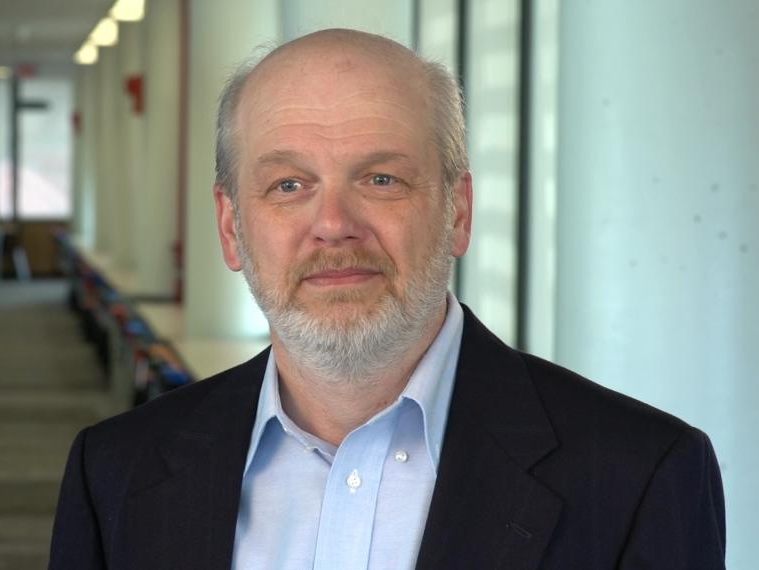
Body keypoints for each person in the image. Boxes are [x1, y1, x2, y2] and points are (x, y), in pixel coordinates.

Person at [49, 29, 725, 569]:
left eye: (380, 178)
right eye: (288, 185)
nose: (334, 222)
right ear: (231, 229)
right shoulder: (114, 471)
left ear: (456, 212)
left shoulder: (640, 475)